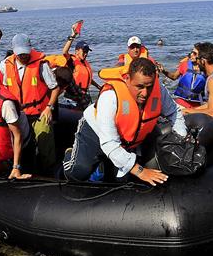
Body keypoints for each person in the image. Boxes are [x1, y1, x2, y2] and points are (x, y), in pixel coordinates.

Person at [62, 58, 187, 186]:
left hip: (126, 139)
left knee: (120, 180)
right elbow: (109, 143)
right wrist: (141, 171)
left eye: (149, 87)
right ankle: (69, 154)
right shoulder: (110, 97)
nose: (145, 93)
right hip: (95, 131)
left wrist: (182, 138)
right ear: (127, 79)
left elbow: (174, 112)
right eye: (139, 86)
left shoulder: (158, 90)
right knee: (79, 172)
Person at [0, 34, 60, 173]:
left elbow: (55, 88)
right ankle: (21, 169)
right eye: (20, 54)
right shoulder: (5, 65)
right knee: (21, 145)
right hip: (18, 114)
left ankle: (49, 171)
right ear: (14, 51)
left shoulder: (41, 65)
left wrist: (49, 107)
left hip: (39, 113)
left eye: (25, 53)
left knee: (45, 143)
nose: (23, 56)